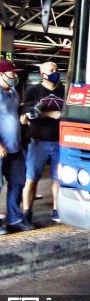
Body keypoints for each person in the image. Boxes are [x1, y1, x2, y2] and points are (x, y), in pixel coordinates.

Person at [21, 61, 65, 223]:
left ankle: (57, 209)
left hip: (60, 143)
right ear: (43, 74)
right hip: (38, 142)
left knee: (58, 178)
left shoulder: (64, 90)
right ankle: (26, 214)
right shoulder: (33, 90)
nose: (56, 72)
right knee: (31, 178)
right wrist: (49, 114)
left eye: (57, 69)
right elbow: (28, 113)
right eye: (51, 70)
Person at [0, 60, 34, 233]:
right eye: (12, 73)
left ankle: (14, 219)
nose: (15, 76)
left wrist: (23, 118)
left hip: (15, 148)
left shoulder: (13, 93)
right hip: (1, 149)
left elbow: (12, 116)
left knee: (17, 183)